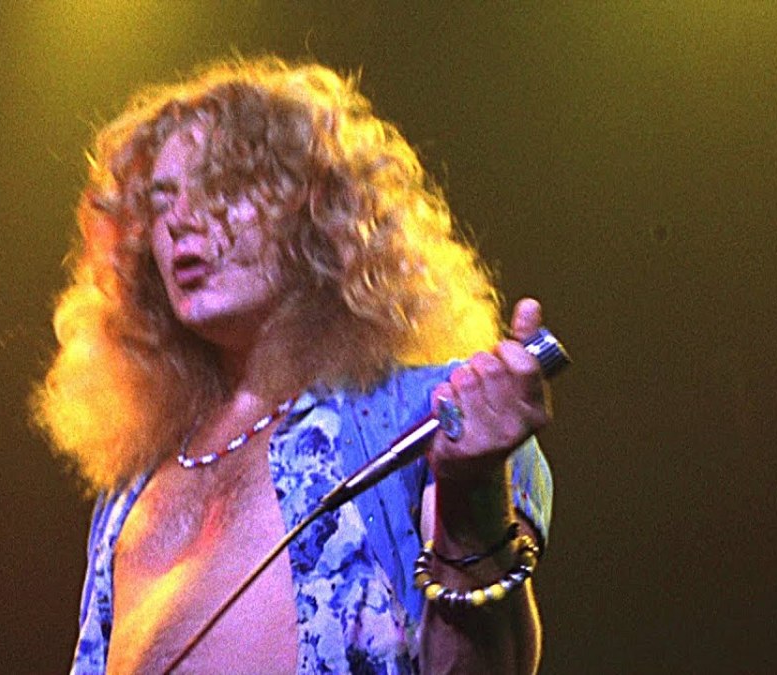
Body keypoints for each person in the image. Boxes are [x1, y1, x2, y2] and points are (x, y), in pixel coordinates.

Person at [33, 57, 554, 674]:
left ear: (317, 208)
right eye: (160, 202)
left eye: (223, 187)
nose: (180, 221)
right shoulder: (132, 487)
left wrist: (474, 494)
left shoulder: (434, 417)